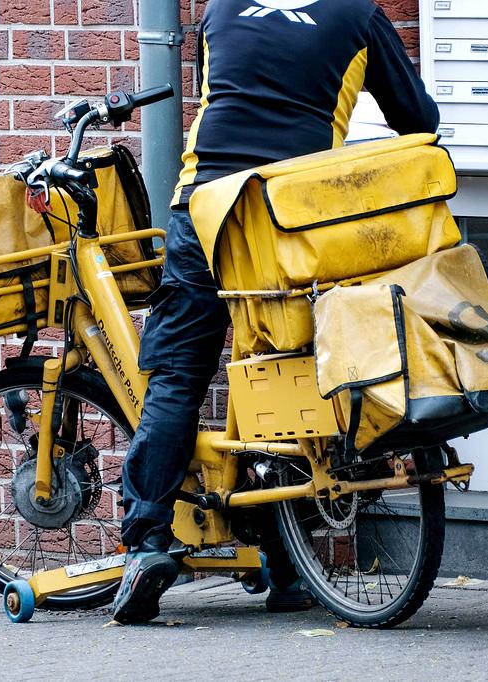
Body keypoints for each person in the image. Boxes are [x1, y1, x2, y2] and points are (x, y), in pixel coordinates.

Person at [112, 0, 440, 624]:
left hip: (206, 211)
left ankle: (147, 543)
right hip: (299, 219)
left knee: (178, 376)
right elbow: (419, 121)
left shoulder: (220, 9)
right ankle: (290, 565)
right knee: (291, 369)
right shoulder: (359, 18)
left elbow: (218, 99)